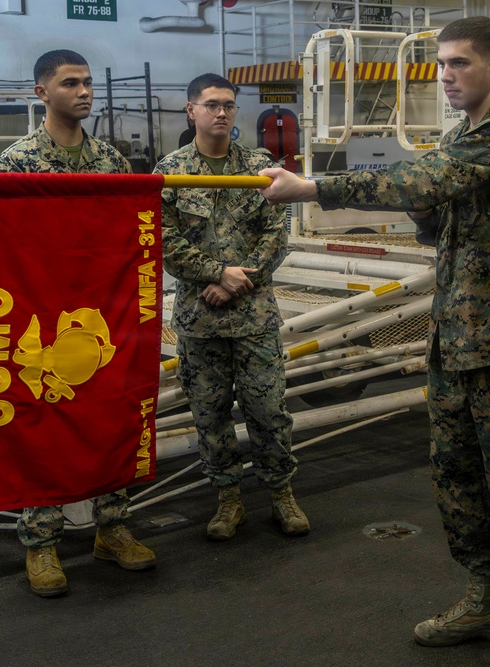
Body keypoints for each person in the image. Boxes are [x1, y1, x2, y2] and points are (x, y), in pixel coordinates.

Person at [258, 17, 490, 666]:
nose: (445, 75)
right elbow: (436, 216)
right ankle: (483, 597)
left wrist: (313, 187)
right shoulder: (461, 139)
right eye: (441, 64)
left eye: (459, 64)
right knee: (456, 477)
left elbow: (423, 183)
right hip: (454, 338)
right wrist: (428, 208)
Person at [0, 49, 157, 598]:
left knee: (109, 416)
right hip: (40, 317)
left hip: (98, 314)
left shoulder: (111, 161)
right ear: (41, 92)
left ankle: (111, 529)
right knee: (41, 423)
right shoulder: (13, 165)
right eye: (70, 83)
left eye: (87, 83)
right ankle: (41, 544)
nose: (84, 92)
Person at [155, 73, 309, 542]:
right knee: (211, 412)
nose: (221, 112)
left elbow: (275, 233)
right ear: (191, 110)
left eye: (228, 104)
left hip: (254, 316)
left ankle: (282, 493)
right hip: (201, 319)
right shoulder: (172, 170)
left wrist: (238, 280)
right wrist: (215, 272)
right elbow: (164, 239)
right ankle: (228, 498)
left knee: (268, 409)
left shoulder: (260, 167)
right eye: (211, 104)